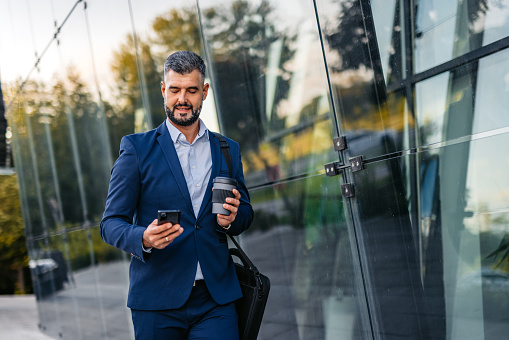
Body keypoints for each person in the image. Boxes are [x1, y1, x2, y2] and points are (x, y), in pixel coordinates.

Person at [101, 50, 254, 339]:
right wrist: (143, 238)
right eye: (175, 90)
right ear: (163, 90)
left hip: (216, 300)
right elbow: (110, 223)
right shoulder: (136, 149)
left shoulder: (227, 149)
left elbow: (245, 212)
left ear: (204, 91)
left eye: (191, 90)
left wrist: (233, 218)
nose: (182, 99)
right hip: (157, 303)